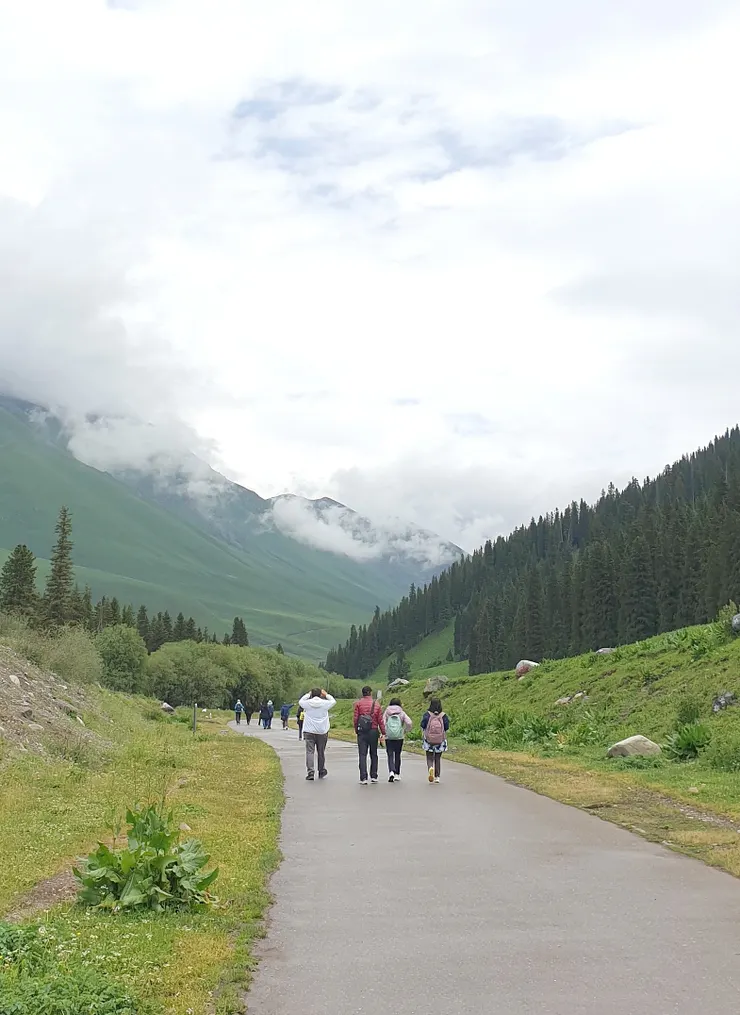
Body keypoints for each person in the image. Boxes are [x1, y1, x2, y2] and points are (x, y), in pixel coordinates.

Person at [298, 688, 336, 781]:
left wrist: (308, 694)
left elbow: (301, 701)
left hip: (309, 730)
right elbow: (333, 701)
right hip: (322, 731)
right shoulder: (325, 704)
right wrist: (326, 694)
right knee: (321, 751)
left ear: (311, 694)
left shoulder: (307, 704)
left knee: (310, 752)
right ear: (320, 694)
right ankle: (321, 770)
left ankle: (310, 772)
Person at [353, 686, 385, 785]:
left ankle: (363, 778)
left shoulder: (358, 704)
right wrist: (383, 732)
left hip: (362, 731)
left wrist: (356, 730)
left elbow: (355, 718)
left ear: (362, 693)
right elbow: (380, 720)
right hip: (373, 731)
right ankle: (374, 776)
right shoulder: (376, 704)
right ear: (370, 693)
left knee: (362, 754)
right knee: (374, 753)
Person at [382, 697, 412, 782]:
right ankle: (397, 774)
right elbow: (409, 722)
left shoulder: (387, 712)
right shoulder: (401, 712)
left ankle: (391, 771)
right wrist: (405, 730)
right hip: (399, 736)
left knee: (390, 754)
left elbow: (382, 722)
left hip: (389, 736)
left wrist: (384, 732)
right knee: (397, 755)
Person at [421, 697, 449, 783]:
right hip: (440, 740)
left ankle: (430, 768)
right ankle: (437, 777)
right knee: (437, 758)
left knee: (429, 757)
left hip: (428, 739)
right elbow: (447, 727)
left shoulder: (427, 714)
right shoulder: (443, 715)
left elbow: (423, 725)